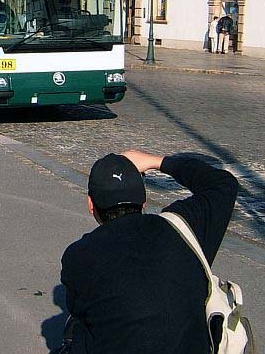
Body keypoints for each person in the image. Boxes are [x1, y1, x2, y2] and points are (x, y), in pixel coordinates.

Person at [60, 149, 238, 353]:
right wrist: (157, 162)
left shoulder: (78, 256)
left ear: (91, 205)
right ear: (143, 201)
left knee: (77, 328)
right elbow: (224, 184)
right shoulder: (183, 226)